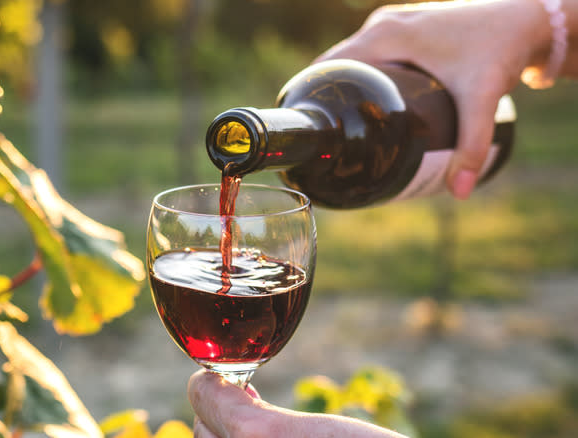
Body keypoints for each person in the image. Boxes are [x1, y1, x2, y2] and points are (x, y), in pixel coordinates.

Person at [188, 0, 578, 436]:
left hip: (490, 121)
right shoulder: (313, 155)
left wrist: (544, 22)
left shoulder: (339, 115)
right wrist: (541, 21)